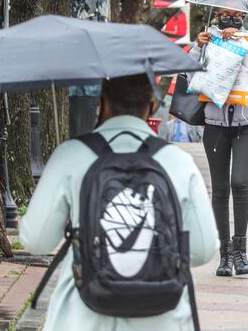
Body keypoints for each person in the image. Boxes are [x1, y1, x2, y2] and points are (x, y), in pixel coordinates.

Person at [20, 73, 217, 331]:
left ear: (101, 103)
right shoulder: (178, 162)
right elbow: (203, 250)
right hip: (162, 318)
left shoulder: (72, 154)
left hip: (82, 316)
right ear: (153, 106)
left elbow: (36, 240)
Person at [190, 8, 248, 277]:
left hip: (246, 123)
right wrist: (198, 46)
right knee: (219, 189)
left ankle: (241, 250)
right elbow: (187, 73)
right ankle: (224, 254)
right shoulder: (207, 39)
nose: (230, 20)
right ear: (215, 14)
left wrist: (244, 40)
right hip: (215, 123)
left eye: (236, 15)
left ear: (243, 16)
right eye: (225, 15)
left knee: (239, 182)